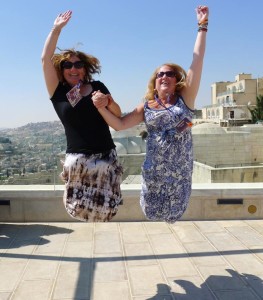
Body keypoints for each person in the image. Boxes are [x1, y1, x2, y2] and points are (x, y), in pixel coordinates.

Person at [92, 5, 209, 223]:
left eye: (170, 74)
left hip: (179, 173)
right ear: (155, 82)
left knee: (175, 213)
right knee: (152, 214)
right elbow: (118, 124)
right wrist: (100, 108)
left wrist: (202, 27)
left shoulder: (186, 99)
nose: (165, 76)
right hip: (154, 170)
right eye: (160, 74)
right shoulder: (147, 106)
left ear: (177, 80)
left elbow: (197, 61)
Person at [41, 10, 123, 222]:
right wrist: (56, 29)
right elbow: (44, 59)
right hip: (77, 162)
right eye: (67, 65)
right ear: (61, 70)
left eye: (78, 64)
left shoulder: (97, 86)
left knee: (107, 211)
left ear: (85, 69)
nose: (73, 68)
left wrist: (108, 102)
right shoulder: (57, 92)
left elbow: (118, 116)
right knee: (77, 209)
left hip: (105, 157)